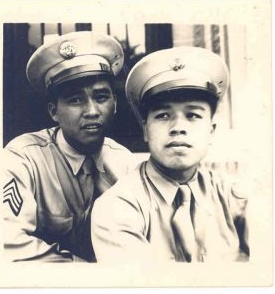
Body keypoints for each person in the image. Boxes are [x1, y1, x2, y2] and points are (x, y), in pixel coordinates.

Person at [91, 46, 249, 262]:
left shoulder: (233, 195)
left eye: (192, 115)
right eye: (163, 115)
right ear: (146, 130)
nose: (178, 127)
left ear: (211, 131)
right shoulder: (116, 207)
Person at [3, 31, 136, 262]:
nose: (92, 111)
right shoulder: (23, 159)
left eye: (101, 97)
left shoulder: (125, 165)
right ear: (54, 111)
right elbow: (5, 242)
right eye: (76, 100)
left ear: (115, 104)